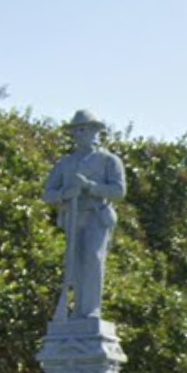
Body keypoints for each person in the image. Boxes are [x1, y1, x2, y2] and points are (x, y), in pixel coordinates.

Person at [44, 109, 126, 320]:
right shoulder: (65, 163)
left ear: (94, 131)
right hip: (73, 217)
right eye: (76, 130)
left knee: (93, 259)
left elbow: (118, 192)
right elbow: (48, 194)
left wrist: (90, 187)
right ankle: (78, 309)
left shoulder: (109, 161)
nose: (78, 134)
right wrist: (65, 193)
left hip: (96, 216)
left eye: (83, 129)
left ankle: (92, 309)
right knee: (74, 264)